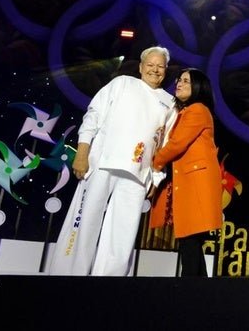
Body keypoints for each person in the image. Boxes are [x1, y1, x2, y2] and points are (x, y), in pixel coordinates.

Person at [48, 46, 175, 276]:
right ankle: (68, 275)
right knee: (86, 220)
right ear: (140, 67)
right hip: (102, 163)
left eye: (160, 66)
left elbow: (165, 143)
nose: (155, 70)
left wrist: (155, 178)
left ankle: (110, 280)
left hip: (138, 173)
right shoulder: (122, 83)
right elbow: (94, 114)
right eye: (150, 65)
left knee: (123, 231)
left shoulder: (169, 102)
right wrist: (82, 151)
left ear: (165, 71)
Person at [148, 68, 224, 276]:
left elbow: (176, 145)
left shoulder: (197, 109)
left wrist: (153, 163)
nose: (179, 84)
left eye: (186, 81)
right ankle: (198, 293)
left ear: (198, 87)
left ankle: (189, 291)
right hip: (191, 181)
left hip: (195, 182)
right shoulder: (188, 111)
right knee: (191, 241)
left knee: (189, 239)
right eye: (179, 80)